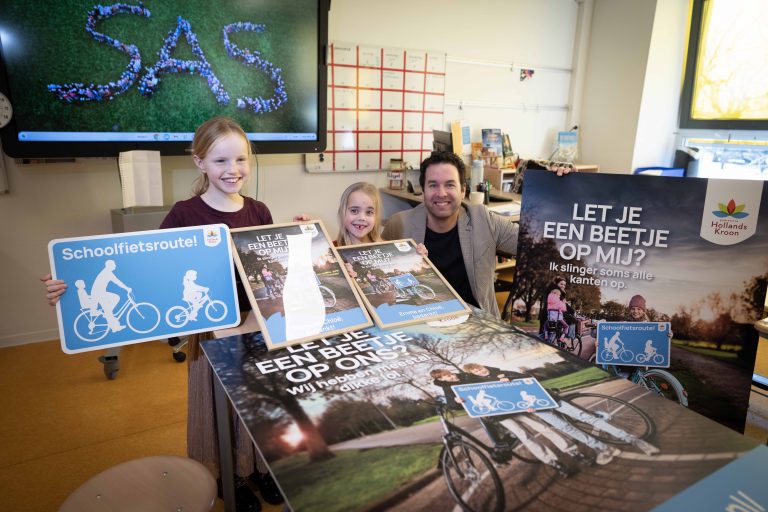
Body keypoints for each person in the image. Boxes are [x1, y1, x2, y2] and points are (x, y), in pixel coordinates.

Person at [40, 116, 281, 511]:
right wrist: (68, 281)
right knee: (221, 407)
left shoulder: (259, 210)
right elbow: (144, 265)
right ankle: (230, 475)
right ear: (200, 162)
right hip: (210, 334)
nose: (232, 170)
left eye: (240, 160)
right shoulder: (185, 215)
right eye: (220, 161)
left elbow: (268, 267)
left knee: (256, 403)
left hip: (254, 328)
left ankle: (257, 467)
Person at [382, 151, 570, 318]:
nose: (441, 193)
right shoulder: (400, 224)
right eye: (433, 185)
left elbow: (540, 243)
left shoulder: (484, 221)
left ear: (463, 190)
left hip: (478, 326)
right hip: (422, 323)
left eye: (450, 185)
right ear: (423, 190)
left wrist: (561, 190)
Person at [336, 182, 384, 246]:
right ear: (342, 213)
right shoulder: (329, 250)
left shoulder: (385, 248)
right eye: (354, 211)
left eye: (369, 212)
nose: (362, 218)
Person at [90, 259, 132, 332]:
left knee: (113, 301)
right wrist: (127, 288)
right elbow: (117, 282)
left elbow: (117, 281)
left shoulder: (106, 272)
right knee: (112, 304)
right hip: (99, 293)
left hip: (99, 293)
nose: (115, 266)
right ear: (110, 266)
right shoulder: (107, 273)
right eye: (114, 264)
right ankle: (113, 323)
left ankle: (110, 318)